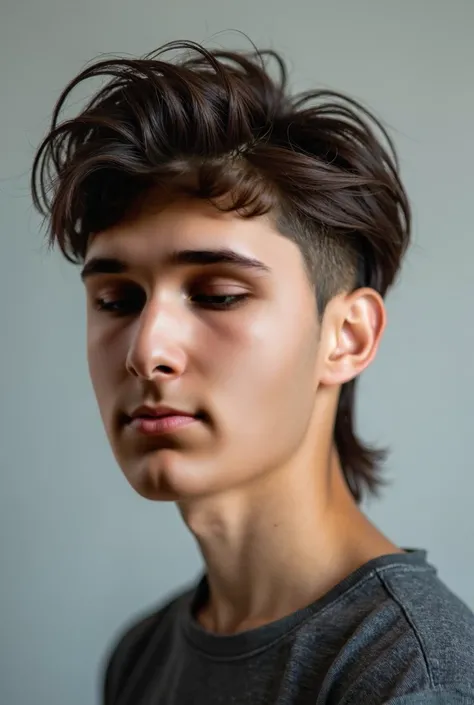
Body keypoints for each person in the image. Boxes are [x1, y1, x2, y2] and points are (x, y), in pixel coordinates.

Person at [31, 40, 474, 705]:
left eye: (218, 295)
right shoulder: (141, 654)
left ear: (347, 337)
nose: (147, 349)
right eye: (116, 300)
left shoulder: (411, 674)